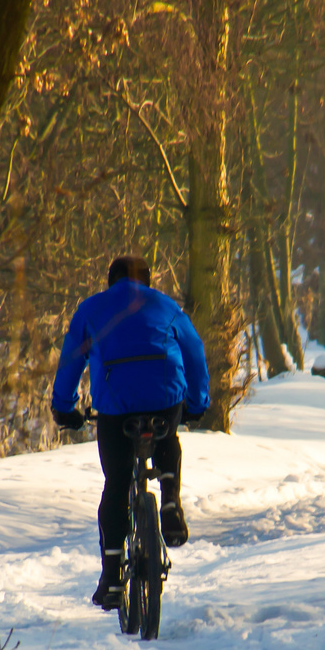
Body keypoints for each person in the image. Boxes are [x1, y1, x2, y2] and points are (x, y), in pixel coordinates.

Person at [51, 255, 210, 609]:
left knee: (118, 483)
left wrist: (65, 408)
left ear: (112, 281)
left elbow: (71, 361)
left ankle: (110, 579)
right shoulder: (167, 306)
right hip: (164, 400)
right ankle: (169, 499)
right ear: (147, 280)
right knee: (167, 436)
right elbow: (195, 352)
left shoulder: (91, 309)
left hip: (116, 409)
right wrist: (197, 403)